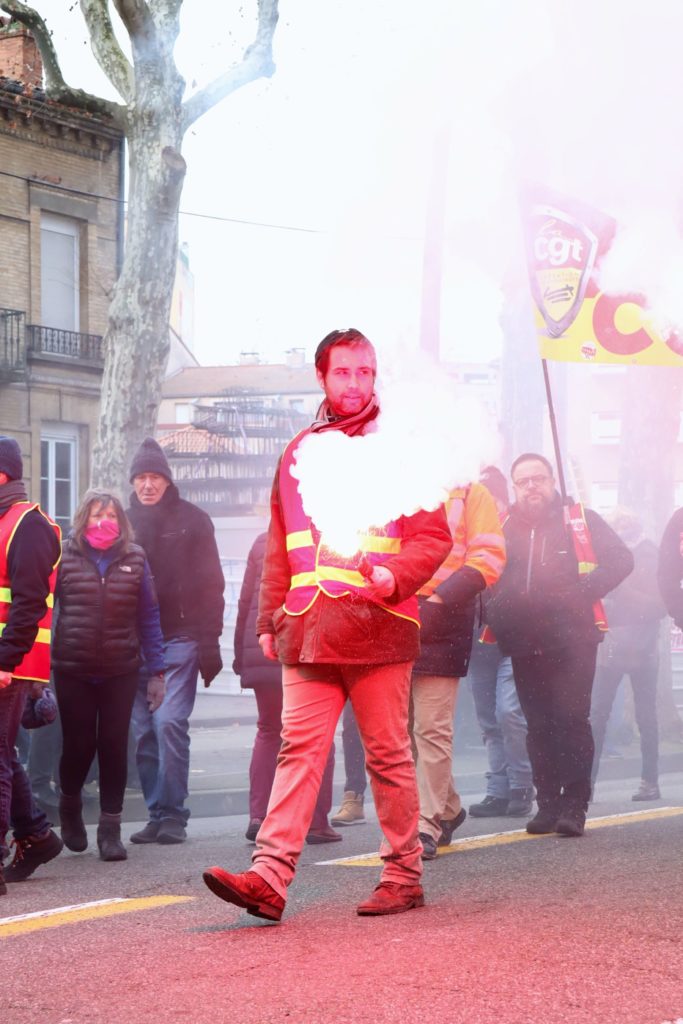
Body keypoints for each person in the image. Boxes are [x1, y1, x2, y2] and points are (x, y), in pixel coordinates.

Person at [203, 328, 452, 921]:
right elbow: (280, 546)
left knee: (387, 756)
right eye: (344, 372)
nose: (356, 383)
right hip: (308, 628)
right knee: (298, 751)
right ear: (322, 376)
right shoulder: (297, 452)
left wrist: (394, 575)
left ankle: (403, 875)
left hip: (379, 625)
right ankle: (269, 877)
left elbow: (435, 537)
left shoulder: (401, 449)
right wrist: (268, 617)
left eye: (366, 372)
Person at [485, 453, 633, 837]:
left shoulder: (577, 519)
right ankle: (547, 803)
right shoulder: (502, 526)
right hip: (523, 641)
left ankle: (575, 804)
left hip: (573, 639)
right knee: (538, 725)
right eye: (524, 481)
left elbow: (621, 559)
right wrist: (496, 612)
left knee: (571, 719)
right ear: (515, 488)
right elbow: (485, 573)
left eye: (539, 478)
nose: (532, 486)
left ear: (553, 480)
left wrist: (582, 592)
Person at [52, 490, 165, 862]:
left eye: (113, 515)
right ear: (83, 518)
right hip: (73, 668)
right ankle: (69, 807)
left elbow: (149, 615)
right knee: (79, 746)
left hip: (120, 668)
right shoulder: (64, 556)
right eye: (98, 514)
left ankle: (110, 829)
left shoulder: (135, 556)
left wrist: (157, 670)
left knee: (115, 747)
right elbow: (46, 608)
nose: (105, 521)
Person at [127, 438, 225, 845]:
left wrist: (210, 641)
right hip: (129, 645)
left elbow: (212, 583)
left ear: (167, 480)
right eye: (141, 478)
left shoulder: (194, 519)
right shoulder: (121, 522)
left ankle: (174, 815)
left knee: (168, 723)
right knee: (142, 731)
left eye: (155, 477)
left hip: (179, 639)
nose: (148, 485)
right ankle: (156, 813)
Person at [410, 477, 506, 859]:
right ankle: (448, 809)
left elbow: (489, 558)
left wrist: (437, 598)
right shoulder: (394, 483)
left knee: (431, 728)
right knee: (401, 729)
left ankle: (426, 823)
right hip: (396, 614)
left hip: (443, 618)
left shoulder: (470, 493)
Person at [233, 531, 340, 844]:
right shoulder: (331, 538)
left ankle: (260, 816)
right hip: (309, 647)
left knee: (269, 730)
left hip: (264, 648)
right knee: (319, 734)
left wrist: (243, 654)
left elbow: (246, 602)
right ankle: (317, 821)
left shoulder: (262, 541)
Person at [0, 436, 63, 891]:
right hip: (7, 660)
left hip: (9, 663)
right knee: (3, 756)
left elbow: (28, 602)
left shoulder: (29, 525)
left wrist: (5, 659)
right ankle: (36, 835)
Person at [467, 466, 533, 819]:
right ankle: (497, 789)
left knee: (509, 712)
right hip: (478, 639)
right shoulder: (466, 535)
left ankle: (522, 784)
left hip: (511, 638)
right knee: (487, 719)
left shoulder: (515, 533)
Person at [591, 509, 666, 801]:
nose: (618, 530)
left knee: (646, 716)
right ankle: (587, 784)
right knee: (597, 714)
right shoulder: (610, 554)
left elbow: (658, 605)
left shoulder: (650, 555)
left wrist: (620, 590)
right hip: (611, 643)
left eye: (622, 525)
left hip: (643, 646)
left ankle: (650, 781)